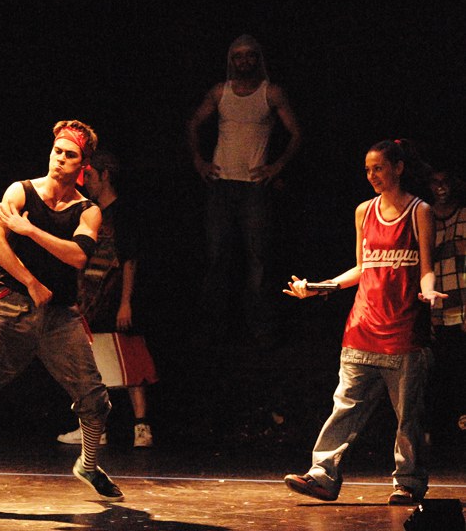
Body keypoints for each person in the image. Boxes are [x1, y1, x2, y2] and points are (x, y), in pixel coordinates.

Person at [0, 120, 124, 509]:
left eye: (70, 155)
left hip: (60, 316)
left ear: (83, 165)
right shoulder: (20, 191)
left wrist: (29, 231)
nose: (60, 159)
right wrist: (32, 283)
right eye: (57, 151)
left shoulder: (87, 211)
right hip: (10, 305)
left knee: (95, 400)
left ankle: (88, 465)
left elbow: (78, 256)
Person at [282, 140, 444, 505]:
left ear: (398, 168)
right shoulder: (364, 211)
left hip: (404, 332)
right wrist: (318, 287)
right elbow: (361, 267)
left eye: (379, 168)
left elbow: (426, 268)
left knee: (408, 417)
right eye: (368, 170)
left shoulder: (420, 211)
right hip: (362, 327)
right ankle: (322, 475)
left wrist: (429, 292)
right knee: (345, 407)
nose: (372, 175)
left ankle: (409, 482)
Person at [187, 34, 301, 347]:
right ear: (231, 60)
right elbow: (193, 123)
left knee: (258, 261)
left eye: (250, 55)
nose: (244, 61)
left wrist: (276, 167)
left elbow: (296, 133)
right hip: (221, 185)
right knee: (216, 258)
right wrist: (199, 161)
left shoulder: (270, 92)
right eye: (238, 56)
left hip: (254, 188)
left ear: (257, 58)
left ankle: (262, 330)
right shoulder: (220, 92)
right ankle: (212, 329)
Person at [56, 151, 158, 448]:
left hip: (114, 300)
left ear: (105, 175)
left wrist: (126, 302)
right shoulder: (91, 213)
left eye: (89, 175)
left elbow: (129, 260)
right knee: (94, 367)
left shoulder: (121, 213)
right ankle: (94, 429)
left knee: (131, 363)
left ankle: (142, 428)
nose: (85, 181)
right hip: (91, 303)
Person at [427, 168, 466, 445]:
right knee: (439, 371)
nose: (441, 187)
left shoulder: (463, 216)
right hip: (435, 307)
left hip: (462, 304)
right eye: (435, 182)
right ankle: (441, 435)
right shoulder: (425, 216)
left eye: (446, 181)